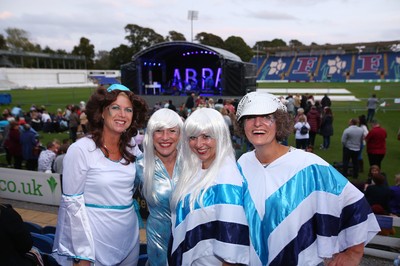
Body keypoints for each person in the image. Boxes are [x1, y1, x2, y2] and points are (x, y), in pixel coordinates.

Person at [236, 91, 380, 266]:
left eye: (267, 117)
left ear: (279, 122)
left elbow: (353, 202)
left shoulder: (308, 164)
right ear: (242, 124)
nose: (258, 123)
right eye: (250, 117)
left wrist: (354, 252)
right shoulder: (242, 164)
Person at [52, 84, 148, 266]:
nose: (122, 114)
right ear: (102, 112)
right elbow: (72, 206)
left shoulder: (132, 147)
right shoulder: (80, 150)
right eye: (115, 108)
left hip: (129, 238)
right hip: (94, 244)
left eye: (128, 109)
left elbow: (148, 176)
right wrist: (81, 255)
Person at [169, 108, 249, 265]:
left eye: (206, 136)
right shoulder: (195, 169)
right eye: (192, 137)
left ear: (220, 136)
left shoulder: (227, 176)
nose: (199, 144)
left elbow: (231, 246)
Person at [141, 108, 183, 266]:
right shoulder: (141, 165)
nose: (165, 137)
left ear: (180, 134)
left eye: (172, 131)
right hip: (158, 245)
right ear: (151, 134)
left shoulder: (193, 163)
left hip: (190, 240)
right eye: (159, 131)